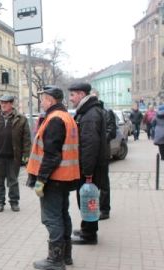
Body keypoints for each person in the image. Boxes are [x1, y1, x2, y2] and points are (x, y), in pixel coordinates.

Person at [27, 85, 80, 269]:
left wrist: (41, 180)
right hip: (65, 178)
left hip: (54, 179)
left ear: (50, 100)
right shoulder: (66, 117)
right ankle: (66, 256)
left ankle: (55, 260)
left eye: (43, 99)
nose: (41, 102)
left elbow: (52, 155)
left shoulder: (55, 119)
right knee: (62, 215)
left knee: (51, 218)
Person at [68, 82, 108, 245]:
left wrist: (88, 171)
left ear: (81, 95)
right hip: (90, 166)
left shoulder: (90, 114)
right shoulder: (88, 111)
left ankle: (89, 235)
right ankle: (87, 228)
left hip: (89, 168)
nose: (70, 98)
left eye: (72, 95)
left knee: (87, 198)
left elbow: (89, 145)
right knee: (86, 198)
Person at [0, 95, 31, 212]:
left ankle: (14, 202)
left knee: (13, 181)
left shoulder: (21, 119)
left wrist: (26, 155)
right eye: (1, 102)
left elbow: (26, 139)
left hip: (14, 156)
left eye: (5, 103)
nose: (3, 105)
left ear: (11, 104)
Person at [90, 89, 116, 220]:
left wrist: (99, 140)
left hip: (103, 153)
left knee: (104, 183)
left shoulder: (107, 112)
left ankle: (105, 210)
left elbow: (112, 131)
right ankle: (92, 208)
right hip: (91, 154)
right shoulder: (89, 113)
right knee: (91, 183)